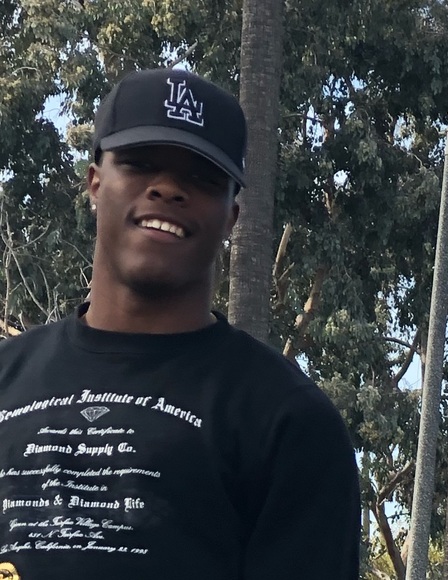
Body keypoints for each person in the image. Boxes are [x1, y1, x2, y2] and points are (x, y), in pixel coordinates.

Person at [0, 68, 360, 579]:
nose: (168, 188)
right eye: (141, 163)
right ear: (95, 182)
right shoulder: (8, 376)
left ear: (231, 216)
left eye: (203, 178)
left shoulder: (288, 421)